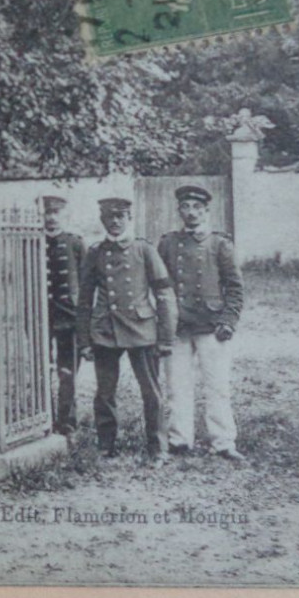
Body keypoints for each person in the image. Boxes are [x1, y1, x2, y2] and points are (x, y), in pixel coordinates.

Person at [76, 197, 177, 462]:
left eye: (120, 216)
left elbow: (164, 293)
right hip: (106, 329)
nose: (115, 221)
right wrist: (84, 339)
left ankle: (158, 447)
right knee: (105, 392)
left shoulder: (144, 249)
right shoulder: (96, 252)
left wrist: (166, 336)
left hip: (141, 328)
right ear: (103, 220)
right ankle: (106, 445)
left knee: (151, 392)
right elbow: (84, 299)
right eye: (110, 217)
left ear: (129, 218)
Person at [158, 184, 246, 461]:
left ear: (206, 210)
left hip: (212, 326)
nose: (191, 212)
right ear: (179, 210)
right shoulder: (168, 243)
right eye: (186, 206)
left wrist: (228, 321)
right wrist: (163, 322)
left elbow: (234, 287)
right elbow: (159, 287)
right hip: (179, 326)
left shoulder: (220, 244)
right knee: (177, 386)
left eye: (197, 207)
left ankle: (223, 442)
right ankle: (180, 440)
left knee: (217, 385)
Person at [42, 195, 85, 437]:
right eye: (47, 212)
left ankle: (67, 420)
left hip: (69, 316)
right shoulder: (31, 241)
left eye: (56, 212)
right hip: (40, 315)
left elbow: (86, 280)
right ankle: (44, 417)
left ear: (64, 215)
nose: (51, 217)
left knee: (67, 370)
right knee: (43, 367)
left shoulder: (75, 243)